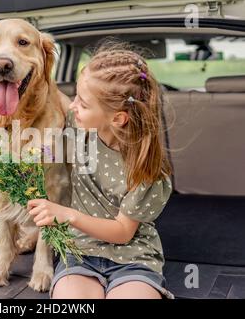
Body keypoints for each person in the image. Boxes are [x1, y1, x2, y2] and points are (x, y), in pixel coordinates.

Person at [27, 42, 174, 299]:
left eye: (82, 103)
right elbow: (48, 89)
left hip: (133, 258)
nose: (73, 106)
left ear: (118, 118)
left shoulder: (146, 167)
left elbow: (122, 231)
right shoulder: (79, 126)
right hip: (80, 253)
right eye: (75, 97)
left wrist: (66, 215)